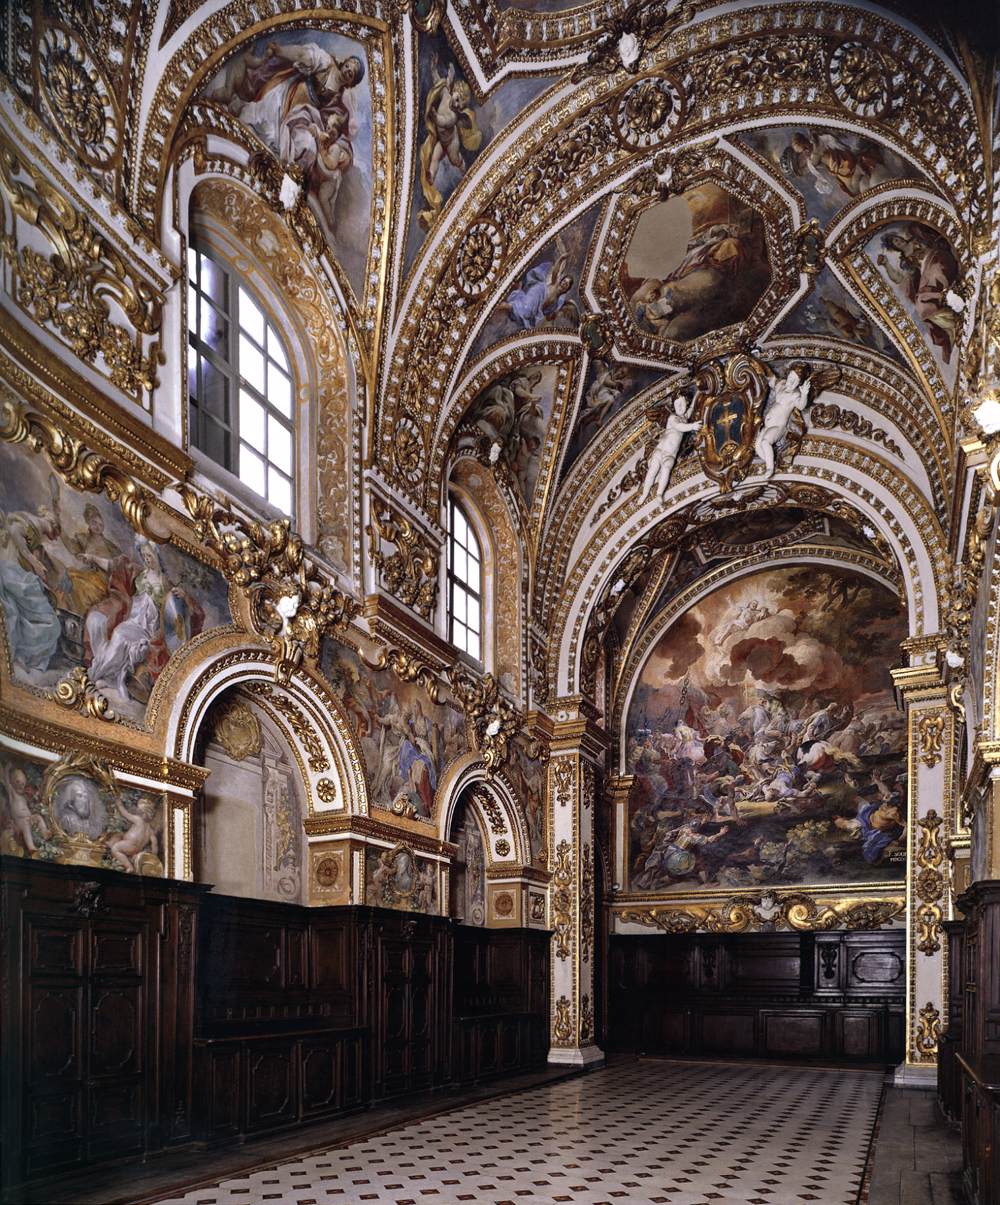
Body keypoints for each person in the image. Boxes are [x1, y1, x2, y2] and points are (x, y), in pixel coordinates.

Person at [418, 56, 482, 229]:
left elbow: (442, 122)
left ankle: (463, 168)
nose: (456, 103)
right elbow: (440, 82)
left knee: (454, 159)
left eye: (460, 103)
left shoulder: (453, 116)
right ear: (453, 91)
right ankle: (431, 174)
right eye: (457, 98)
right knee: (434, 159)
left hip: (451, 142)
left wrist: (433, 115)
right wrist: (433, 69)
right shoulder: (446, 95)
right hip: (441, 140)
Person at [641, 395, 700, 500]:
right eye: (677, 405)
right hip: (660, 450)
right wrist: (692, 426)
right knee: (653, 470)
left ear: (686, 404)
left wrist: (697, 393)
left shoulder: (685, 417)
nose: (680, 407)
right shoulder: (673, 418)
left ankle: (659, 493)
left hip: (671, 454)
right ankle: (644, 493)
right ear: (673, 407)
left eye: (682, 404)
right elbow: (679, 427)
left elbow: (692, 407)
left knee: (667, 468)